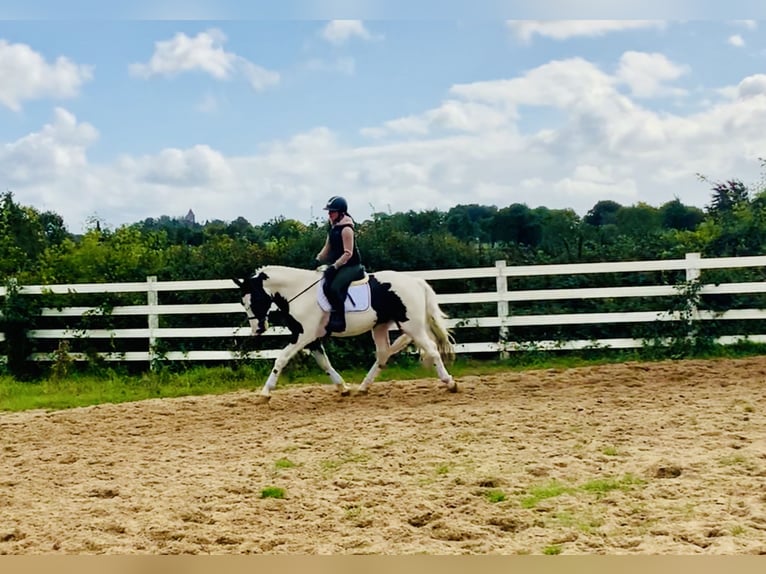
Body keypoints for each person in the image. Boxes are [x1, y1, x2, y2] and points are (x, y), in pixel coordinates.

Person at [315, 195, 364, 333]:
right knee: (324, 283)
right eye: (329, 212)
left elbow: (348, 253)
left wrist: (334, 266)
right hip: (340, 264)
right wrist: (318, 258)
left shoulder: (346, 229)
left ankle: (340, 320)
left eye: (332, 211)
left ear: (341, 212)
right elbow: (327, 247)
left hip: (352, 266)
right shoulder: (333, 227)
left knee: (334, 287)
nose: (329, 214)